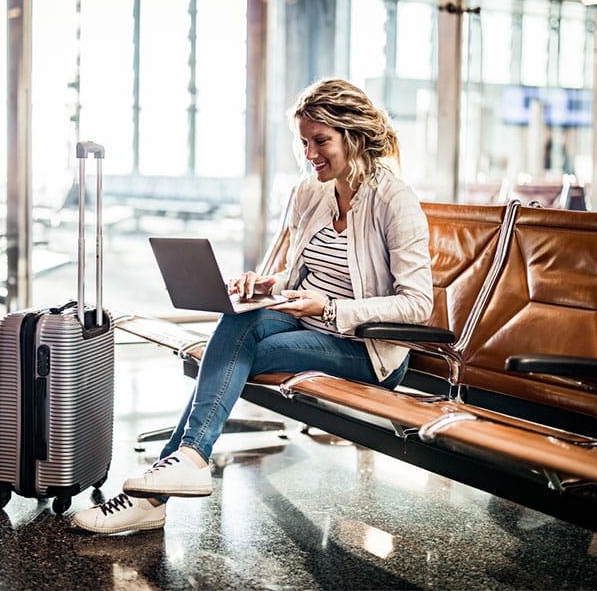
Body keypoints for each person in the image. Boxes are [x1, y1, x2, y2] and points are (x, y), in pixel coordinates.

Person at [72, 77, 433, 534]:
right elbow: (299, 277)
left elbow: (418, 304)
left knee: (229, 358)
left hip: (367, 350)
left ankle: (157, 492)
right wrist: (263, 285)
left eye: (321, 140)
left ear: (354, 135)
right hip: (307, 326)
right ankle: (185, 463)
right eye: (304, 142)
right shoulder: (312, 193)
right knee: (236, 323)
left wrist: (330, 309)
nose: (310, 154)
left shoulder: (394, 200)